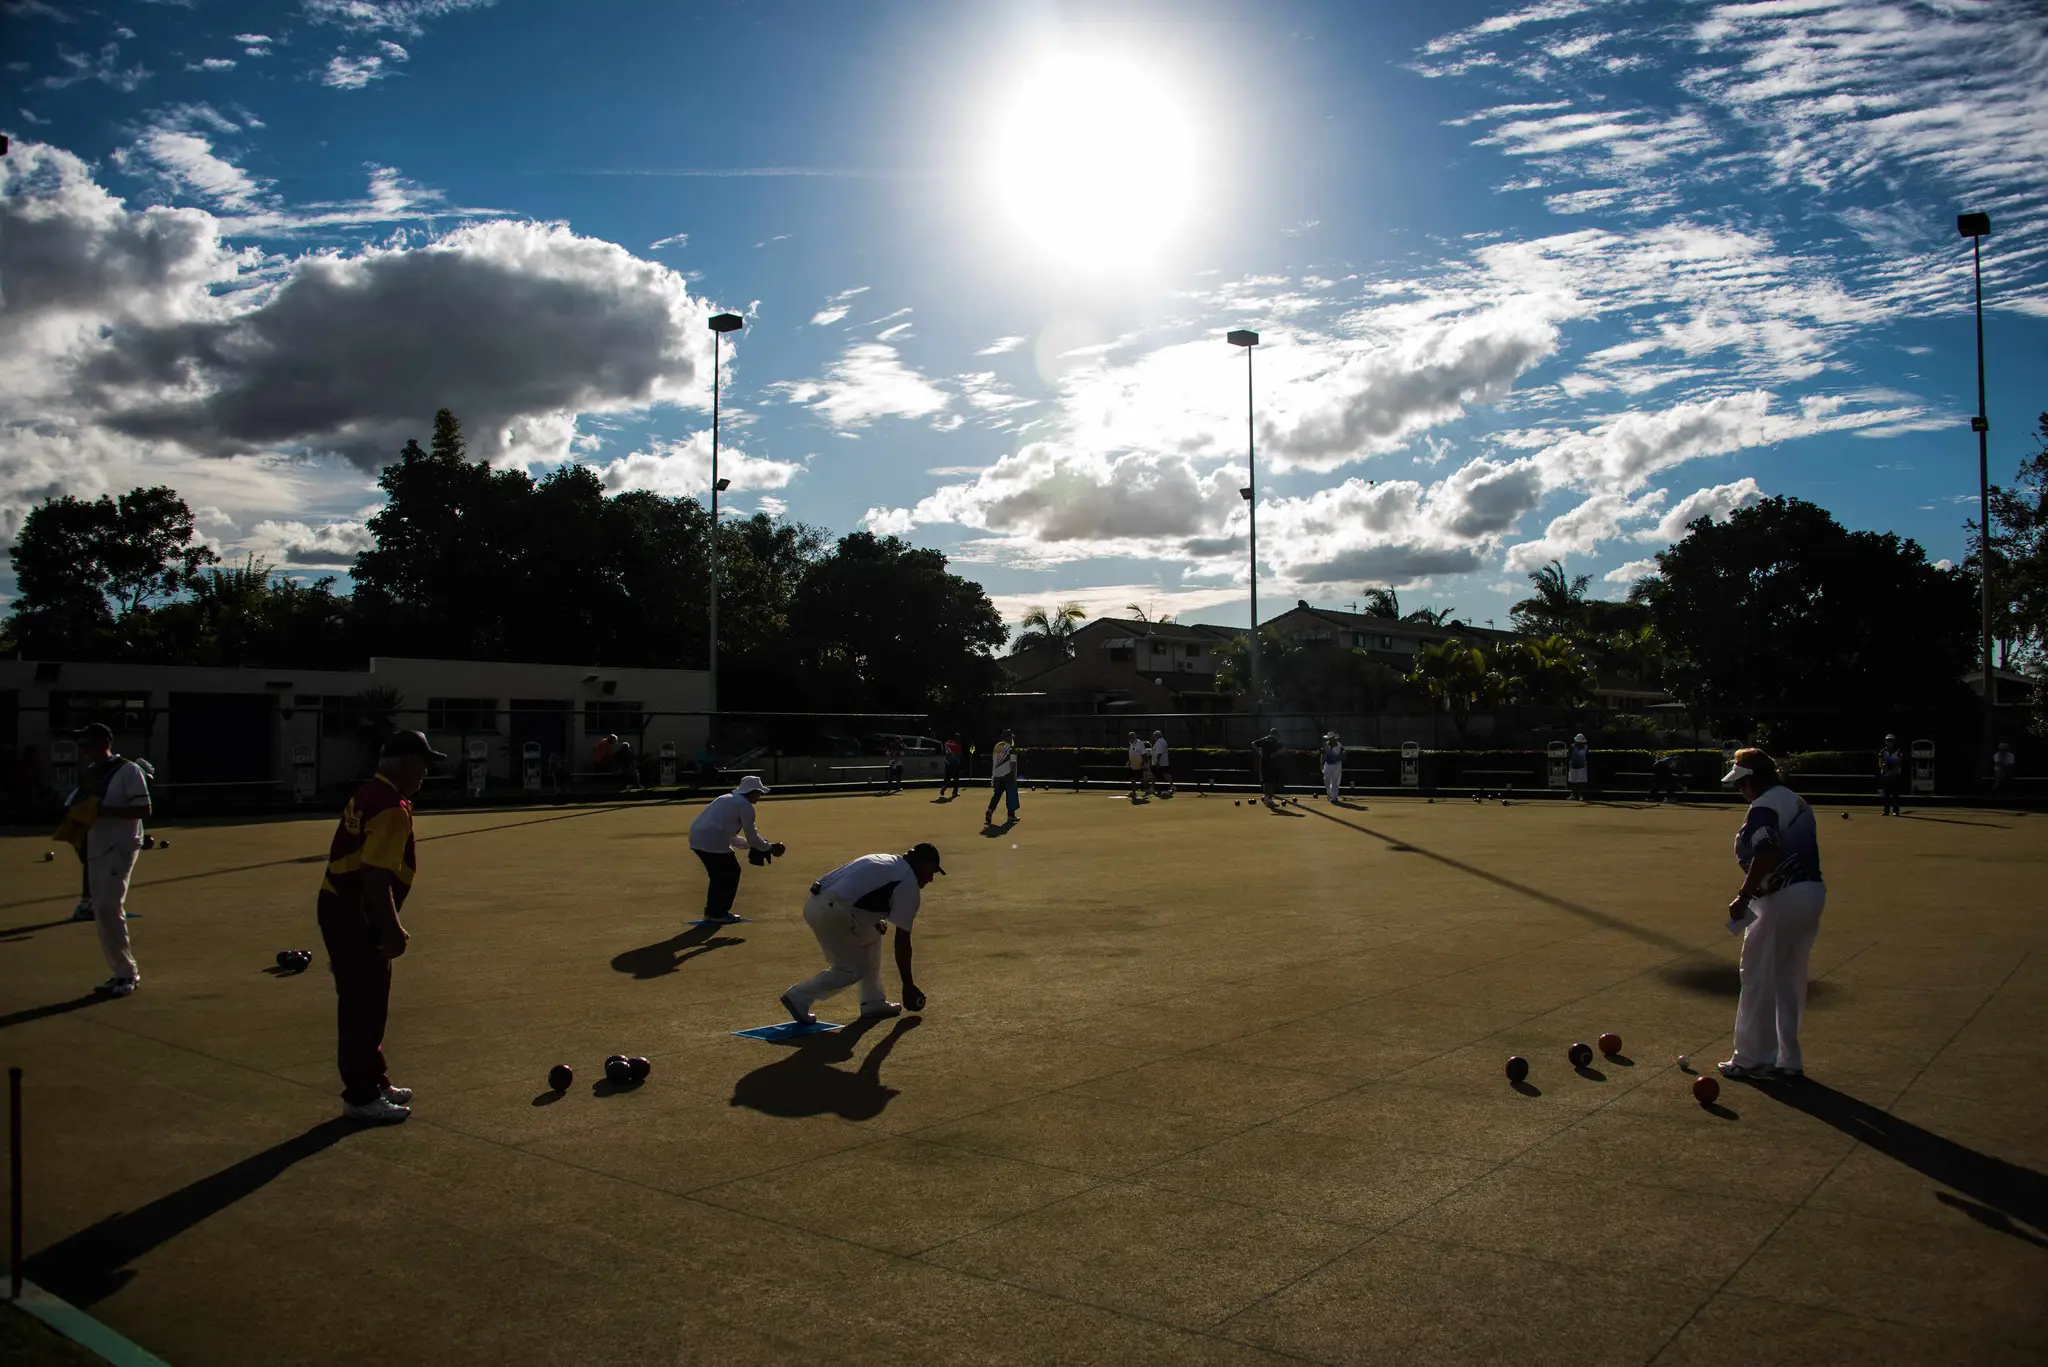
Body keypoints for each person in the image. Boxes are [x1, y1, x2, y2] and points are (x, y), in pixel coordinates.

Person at [318, 729, 443, 1124]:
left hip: (340, 903)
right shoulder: (389, 805)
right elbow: (374, 878)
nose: (425, 773)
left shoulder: (372, 792)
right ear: (405, 764)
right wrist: (391, 928)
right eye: (422, 764)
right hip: (355, 911)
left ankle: (375, 1079)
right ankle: (360, 1095)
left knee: (370, 998)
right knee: (362, 1003)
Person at [1719, 747, 1825, 1081]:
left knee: (1756, 975)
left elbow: (1766, 849)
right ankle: (1787, 1058)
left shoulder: (1763, 806)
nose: (1739, 790)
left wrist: (1743, 894)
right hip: (1811, 894)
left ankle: (1751, 1058)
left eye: (1740, 783)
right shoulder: (1793, 799)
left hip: (1781, 898)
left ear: (1752, 780)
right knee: (1788, 978)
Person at [780, 843, 944, 1025]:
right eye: (932, 872)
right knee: (851, 969)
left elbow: (857, 890)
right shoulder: (908, 884)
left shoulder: (887, 860)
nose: (931, 879)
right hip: (833, 913)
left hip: (817, 903)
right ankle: (799, 996)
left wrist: (873, 920)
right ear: (924, 864)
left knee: (873, 934)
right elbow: (902, 942)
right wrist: (908, 985)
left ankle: (873, 1001)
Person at [60, 724, 150, 997]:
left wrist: (104, 810)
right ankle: (119, 972)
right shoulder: (89, 774)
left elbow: (144, 809)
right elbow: (76, 806)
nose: (83, 751)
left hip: (120, 846)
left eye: (86, 745)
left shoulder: (128, 770)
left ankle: (127, 973)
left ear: (103, 744)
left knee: (110, 906)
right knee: (101, 910)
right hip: (97, 846)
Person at [688, 775, 777, 924]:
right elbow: (753, 837)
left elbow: (733, 838)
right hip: (712, 841)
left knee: (719, 875)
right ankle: (719, 913)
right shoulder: (746, 807)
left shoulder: (726, 798)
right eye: (759, 792)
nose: (760, 796)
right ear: (752, 791)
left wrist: (753, 845)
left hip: (697, 838)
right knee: (731, 872)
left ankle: (712, 911)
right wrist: (770, 847)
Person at [983, 729, 1020, 825]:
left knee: (997, 795)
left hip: (997, 775)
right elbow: (1013, 764)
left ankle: (990, 810)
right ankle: (1011, 816)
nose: (1012, 738)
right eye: (1011, 736)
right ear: (1007, 737)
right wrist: (1014, 777)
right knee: (1011, 795)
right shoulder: (1011, 749)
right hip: (1008, 775)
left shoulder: (996, 747)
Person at [1877, 733, 1905, 816]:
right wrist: (1888, 772)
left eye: (1891, 740)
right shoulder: (1882, 751)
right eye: (1888, 740)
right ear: (1885, 741)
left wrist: (1892, 772)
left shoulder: (1898, 751)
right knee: (1886, 794)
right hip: (1885, 775)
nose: (1889, 742)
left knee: (1895, 794)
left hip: (1896, 775)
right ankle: (1886, 811)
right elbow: (1880, 764)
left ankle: (1895, 811)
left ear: (1894, 741)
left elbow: (1899, 763)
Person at [1253, 730, 1283, 807]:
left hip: (1263, 762)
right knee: (1271, 781)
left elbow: (1253, 743)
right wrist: (1280, 752)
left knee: (1266, 780)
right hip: (1271, 763)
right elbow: (1277, 752)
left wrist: (1259, 752)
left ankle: (1267, 798)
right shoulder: (1274, 741)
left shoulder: (1264, 739)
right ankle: (1268, 799)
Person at [1125, 731, 1150, 801]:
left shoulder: (1140, 743)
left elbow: (1144, 754)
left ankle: (1147, 791)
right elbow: (1131, 754)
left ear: (1135, 737)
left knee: (1142, 779)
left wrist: (1144, 763)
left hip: (1140, 764)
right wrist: (1129, 762)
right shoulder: (1130, 743)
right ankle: (1134, 792)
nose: (1130, 738)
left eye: (1131, 736)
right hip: (1133, 765)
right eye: (1129, 736)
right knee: (1132, 779)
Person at [1320, 732, 1345, 802]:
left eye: (1331, 738)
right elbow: (1322, 754)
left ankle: (1334, 797)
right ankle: (1329, 793)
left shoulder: (1339, 745)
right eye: (1329, 738)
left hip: (1337, 765)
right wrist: (1321, 763)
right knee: (1326, 779)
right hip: (1328, 764)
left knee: (1335, 781)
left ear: (1334, 738)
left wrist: (1339, 757)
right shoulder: (1325, 744)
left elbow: (1343, 753)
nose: (1330, 740)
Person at [1567, 734, 1591, 802]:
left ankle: (1581, 795)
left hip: (1582, 766)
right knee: (1573, 781)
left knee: (1581, 781)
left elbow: (1588, 755)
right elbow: (1569, 754)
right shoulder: (1572, 746)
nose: (1579, 742)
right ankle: (1573, 795)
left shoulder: (1586, 747)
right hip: (1573, 765)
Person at [1150, 730, 1173, 798]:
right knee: (1164, 775)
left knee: (1158, 775)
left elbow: (1159, 753)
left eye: (1154, 735)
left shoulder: (1159, 742)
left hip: (1160, 763)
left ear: (1157, 735)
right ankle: (1152, 788)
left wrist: (1157, 762)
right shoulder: (1162, 741)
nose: (1153, 736)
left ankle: (1152, 788)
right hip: (1162, 763)